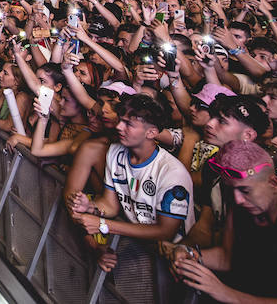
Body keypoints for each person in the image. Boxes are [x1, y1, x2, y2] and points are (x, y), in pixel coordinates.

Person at [165, 140, 277, 304]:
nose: (238, 200)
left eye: (245, 190)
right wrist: (190, 254)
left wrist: (225, 293)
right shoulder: (239, 208)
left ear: (274, 183)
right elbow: (226, 258)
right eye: (231, 190)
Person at [68, 94, 195, 269]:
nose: (119, 127)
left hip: (172, 259)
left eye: (129, 124)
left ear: (151, 132)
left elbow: (165, 231)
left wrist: (105, 225)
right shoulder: (115, 152)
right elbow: (110, 204)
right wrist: (90, 207)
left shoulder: (172, 173)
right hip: (137, 249)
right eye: (121, 120)